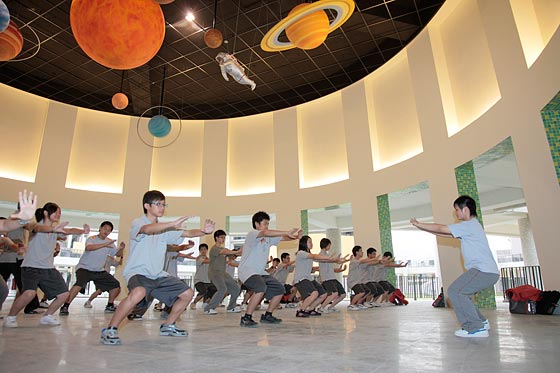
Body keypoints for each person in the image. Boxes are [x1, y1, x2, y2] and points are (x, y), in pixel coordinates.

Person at [100, 190, 215, 345]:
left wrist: (203, 231)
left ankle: (168, 326)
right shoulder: (138, 222)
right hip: (138, 272)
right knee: (139, 292)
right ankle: (110, 329)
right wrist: (172, 224)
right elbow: (147, 229)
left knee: (187, 293)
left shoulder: (165, 228)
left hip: (157, 274)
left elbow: (186, 233)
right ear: (147, 206)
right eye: (158, 204)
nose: (162, 207)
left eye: (163, 204)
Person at [410, 195, 499, 338]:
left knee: (455, 291)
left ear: (465, 209)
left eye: (457, 209)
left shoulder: (469, 225)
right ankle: (481, 322)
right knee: (463, 293)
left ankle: (475, 328)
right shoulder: (472, 226)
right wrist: (425, 229)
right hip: (487, 271)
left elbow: (442, 227)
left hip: (483, 270)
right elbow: (446, 234)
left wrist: (420, 224)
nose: (456, 213)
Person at [4, 202, 90, 328]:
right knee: (29, 293)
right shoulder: (35, 225)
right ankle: (10, 317)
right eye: (56, 212)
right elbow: (39, 229)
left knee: (64, 294)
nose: (58, 215)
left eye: (59, 213)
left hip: (48, 268)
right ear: (45, 213)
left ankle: (47, 316)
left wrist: (83, 231)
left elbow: (69, 230)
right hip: (31, 267)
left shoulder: (57, 230)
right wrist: (53, 229)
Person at [238, 211, 302, 327]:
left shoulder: (267, 238)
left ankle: (267, 315)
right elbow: (265, 232)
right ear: (257, 224)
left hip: (260, 272)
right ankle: (246, 317)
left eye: (268, 224)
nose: (267, 226)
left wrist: (295, 237)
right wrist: (287, 231)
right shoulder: (253, 234)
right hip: (247, 271)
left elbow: (282, 238)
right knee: (260, 287)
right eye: (265, 223)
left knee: (279, 289)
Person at [60, 221, 124, 315]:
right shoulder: (92, 238)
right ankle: (65, 305)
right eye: (105, 229)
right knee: (79, 283)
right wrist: (105, 244)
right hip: (84, 268)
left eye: (109, 230)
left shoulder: (109, 242)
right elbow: (89, 248)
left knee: (115, 285)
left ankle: (110, 305)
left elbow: (116, 254)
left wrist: (121, 249)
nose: (106, 232)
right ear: (100, 228)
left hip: (98, 270)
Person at [293, 235, 347, 317]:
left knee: (323, 294)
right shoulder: (301, 253)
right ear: (304, 243)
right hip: (301, 279)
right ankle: (300, 310)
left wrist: (335, 260)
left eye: (311, 242)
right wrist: (332, 259)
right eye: (309, 242)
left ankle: (310, 309)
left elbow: (320, 259)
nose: (311, 243)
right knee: (314, 293)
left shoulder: (308, 255)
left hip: (308, 278)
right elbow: (315, 256)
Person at [204, 229, 241, 314]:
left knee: (236, 288)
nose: (223, 239)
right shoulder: (214, 249)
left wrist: (242, 251)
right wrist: (238, 251)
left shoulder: (224, 249)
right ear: (216, 238)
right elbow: (224, 252)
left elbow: (232, 254)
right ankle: (208, 309)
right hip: (215, 273)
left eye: (224, 237)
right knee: (222, 289)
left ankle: (231, 307)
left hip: (223, 273)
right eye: (221, 237)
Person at [317, 238, 348, 313]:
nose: (330, 247)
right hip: (326, 278)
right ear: (327, 245)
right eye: (329, 245)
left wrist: (344, 260)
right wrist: (336, 259)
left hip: (332, 278)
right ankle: (321, 308)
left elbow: (333, 261)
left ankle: (331, 307)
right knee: (334, 293)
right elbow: (330, 260)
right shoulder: (320, 255)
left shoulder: (327, 255)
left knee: (343, 294)